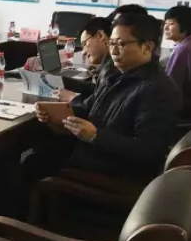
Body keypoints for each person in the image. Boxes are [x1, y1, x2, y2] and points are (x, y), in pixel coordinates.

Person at [35, 13, 181, 184]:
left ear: (147, 47)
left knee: (33, 165)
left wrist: (95, 136)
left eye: (121, 44)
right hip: (90, 151)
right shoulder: (116, 73)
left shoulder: (158, 89)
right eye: (111, 43)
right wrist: (54, 114)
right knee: (38, 149)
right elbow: (90, 108)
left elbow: (148, 151)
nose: (113, 51)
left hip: (112, 170)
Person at [58, 17, 114, 103]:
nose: (83, 52)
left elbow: (96, 107)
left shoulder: (113, 69)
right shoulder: (108, 64)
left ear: (100, 35)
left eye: (84, 44)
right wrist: (65, 81)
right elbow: (96, 90)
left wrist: (72, 98)